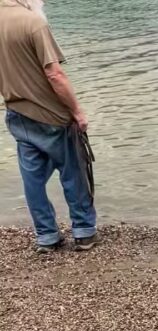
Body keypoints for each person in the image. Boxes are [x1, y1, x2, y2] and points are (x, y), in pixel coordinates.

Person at [0, 0, 98, 253]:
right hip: (53, 116)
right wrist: (77, 112)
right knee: (73, 172)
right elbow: (55, 75)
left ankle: (46, 237)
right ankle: (84, 232)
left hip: (17, 113)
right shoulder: (33, 22)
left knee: (32, 179)